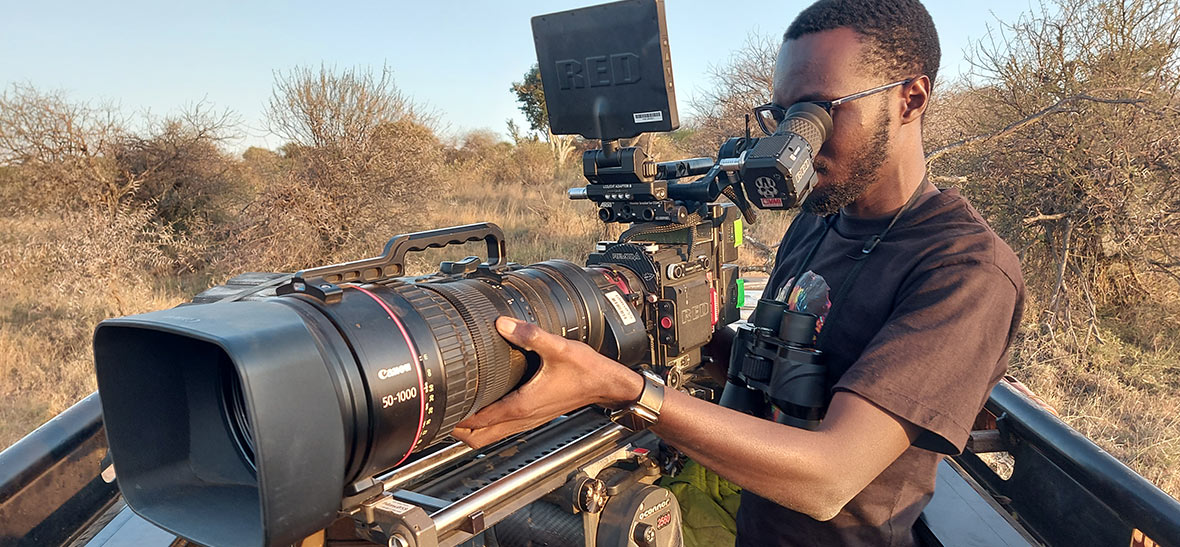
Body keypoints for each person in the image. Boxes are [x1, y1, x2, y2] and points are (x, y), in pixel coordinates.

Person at [453, 0, 1025, 544]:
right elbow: (766, 368)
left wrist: (623, 389)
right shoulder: (817, 222)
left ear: (912, 99)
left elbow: (828, 477)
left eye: (818, 113)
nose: (792, 142)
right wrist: (646, 331)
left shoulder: (964, 268)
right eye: (781, 115)